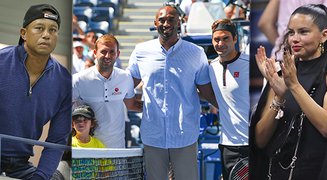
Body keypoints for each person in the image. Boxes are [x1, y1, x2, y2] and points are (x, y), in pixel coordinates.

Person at [127, 5, 218, 180]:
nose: (166, 23)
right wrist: (129, 103)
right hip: (153, 134)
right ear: (155, 23)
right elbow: (127, 85)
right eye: (161, 19)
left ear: (180, 22)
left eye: (171, 19)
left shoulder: (196, 52)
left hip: (185, 135)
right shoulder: (140, 51)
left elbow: (207, 92)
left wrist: (231, 111)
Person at [250, 4, 327, 179]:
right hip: (278, 171)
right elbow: (260, 140)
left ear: (324, 36)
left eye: (303, 32)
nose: (295, 38)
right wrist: (279, 96)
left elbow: (326, 127)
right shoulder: (281, 74)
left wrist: (293, 86)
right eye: (291, 32)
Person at [0, 4, 71, 179]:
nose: (46, 35)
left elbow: (56, 140)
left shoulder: (65, 81)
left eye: (53, 30)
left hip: (21, 165)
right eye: (39, 28)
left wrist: (41, 176)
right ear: (23, 33)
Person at [72, 34, 141, 148]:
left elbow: (132, 105)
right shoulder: (78, 80)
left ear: (118, 54)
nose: (107, 56)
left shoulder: (125, 77)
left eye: (112, 52)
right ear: (95, 53)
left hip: (116, 148)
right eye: (103, 52)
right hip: (86, 149)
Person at [208, 19, 249, 180]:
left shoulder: (251, 64)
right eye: (216, 39)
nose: (220, 43)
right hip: (227, 146)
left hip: (252, 143)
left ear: (235, 39)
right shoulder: (211, 67)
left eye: (225, 38)